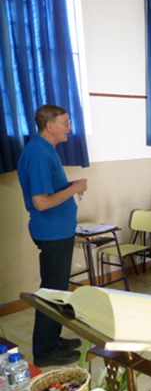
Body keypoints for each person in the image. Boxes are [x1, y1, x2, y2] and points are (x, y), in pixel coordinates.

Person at [17, 105, 87, 367]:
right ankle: (45, 351)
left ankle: (53, 340)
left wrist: (70, 187)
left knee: (57, 291)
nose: (69, 127)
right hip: (52, 233)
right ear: (50, 126)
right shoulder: (38, 153)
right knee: (51, 292)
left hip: (59, 231)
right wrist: (74, 188)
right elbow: (41, 202)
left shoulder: (46, 150)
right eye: (65, 122)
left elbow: (51, 191)